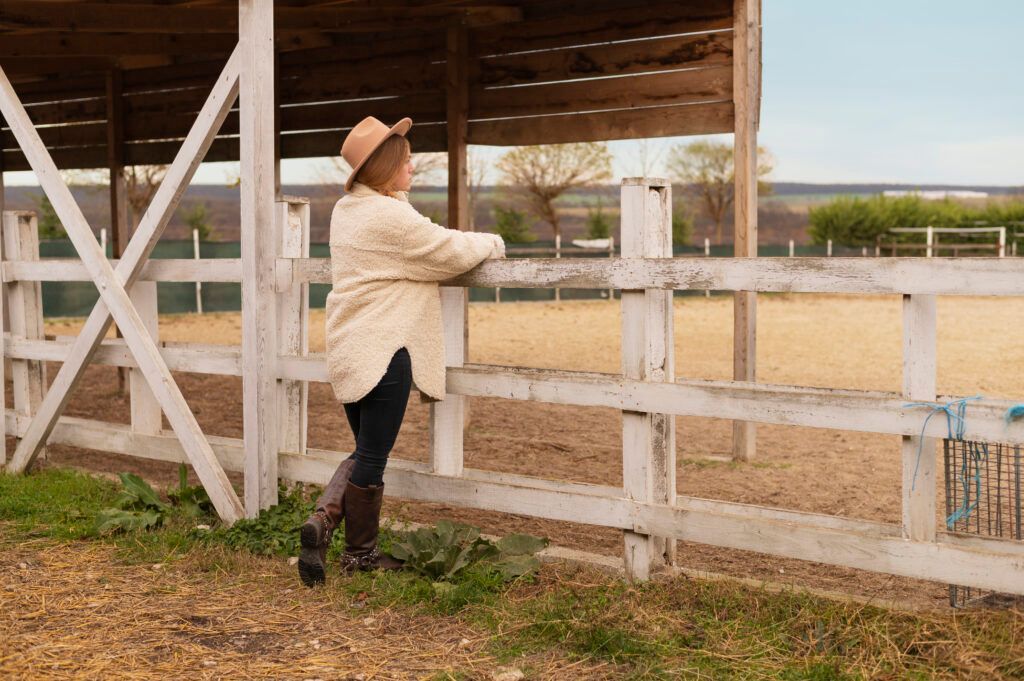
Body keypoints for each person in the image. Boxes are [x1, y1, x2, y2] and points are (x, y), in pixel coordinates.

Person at [297, 116, 505, 586]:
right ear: (387, 165)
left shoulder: (348, 210)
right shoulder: (388, 216)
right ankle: (343, 539)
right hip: (385, 348)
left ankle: (337, 536)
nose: (412, 166)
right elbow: (444, 249)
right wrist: (491, 242)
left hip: (351, 344)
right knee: (372, 456)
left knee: (363, 449)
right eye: (406, 160)